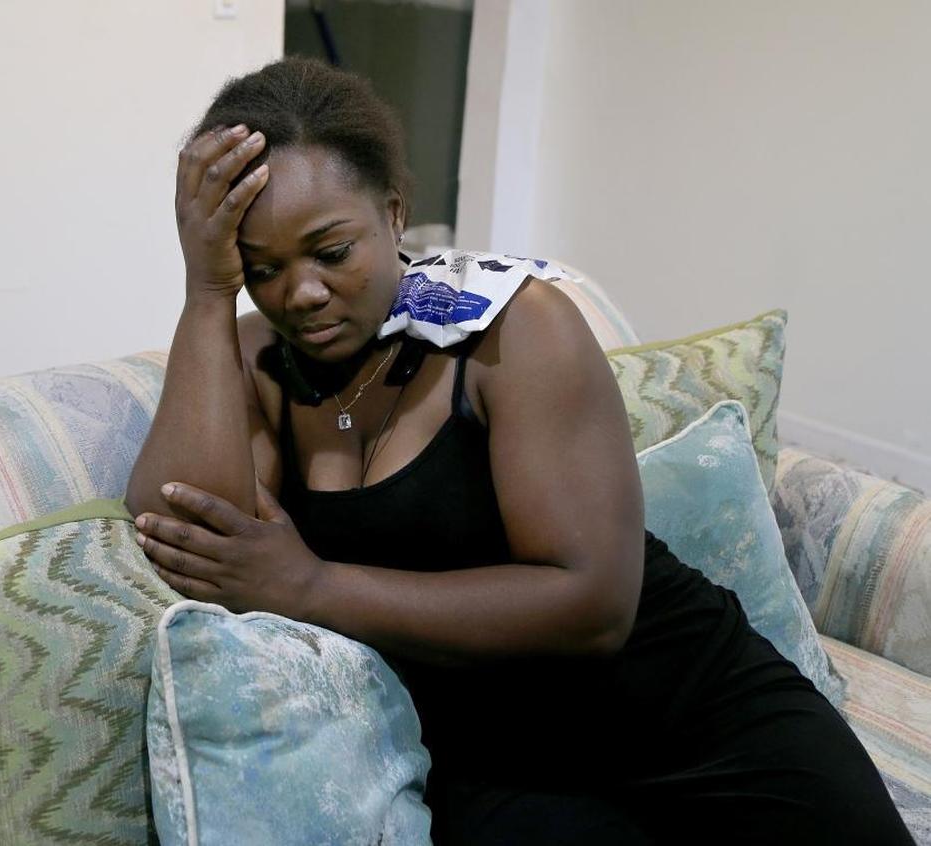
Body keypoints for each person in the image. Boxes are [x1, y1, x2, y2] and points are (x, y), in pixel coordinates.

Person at [124, 57, 913, 845]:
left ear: (394, 213)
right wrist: (207, 291)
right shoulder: (260, 359)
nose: (300, 292)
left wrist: (313, 585)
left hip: (699, 722)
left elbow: (592, 605)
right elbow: (183, 525)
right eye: (264, 268)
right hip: (495, 765)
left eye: (332, 251)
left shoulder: (513, 331)